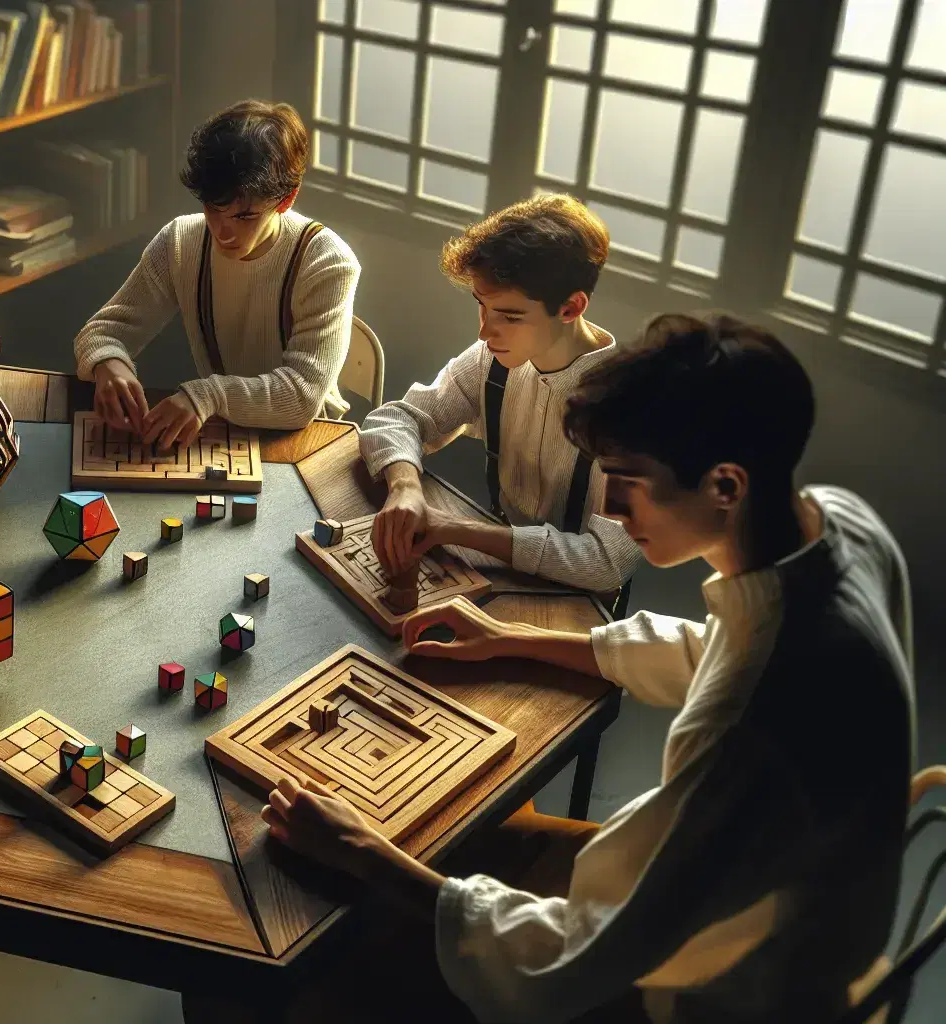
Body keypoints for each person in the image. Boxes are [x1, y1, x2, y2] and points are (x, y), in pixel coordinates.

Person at [262, 314, 913, 1022]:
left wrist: (363, 849)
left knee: (297, 965)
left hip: (718, 993)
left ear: (725, 485)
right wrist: (514, 636)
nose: (604, 506)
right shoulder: (840, 525)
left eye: (627, 483)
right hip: (787, 901)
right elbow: (717, 648)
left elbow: (576, 964)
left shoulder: (752, 723)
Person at [360, 193, 640, 594]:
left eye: (510, 316)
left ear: (571, 307)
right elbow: (396, 419)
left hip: (580, 607)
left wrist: (456, 529)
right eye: (482, 307)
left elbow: (608, 563)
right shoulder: (492, 361)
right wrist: (405, 486)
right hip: (501, 575)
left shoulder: (630, 411)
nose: (485, 332)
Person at [73, 99, 361, 448]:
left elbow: (301, 398)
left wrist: (207, 395)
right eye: (212, 208)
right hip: (220, 433)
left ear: (286, 200)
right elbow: (102, 331)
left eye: (245, 217)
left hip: (306, 443)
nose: (223, 231)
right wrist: (109, 363)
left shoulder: (328, 261)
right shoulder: (182, 241)